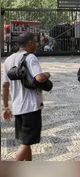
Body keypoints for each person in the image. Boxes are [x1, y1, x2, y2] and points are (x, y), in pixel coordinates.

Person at [2, 32, 51, 161]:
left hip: (17, 107)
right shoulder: (30, 58)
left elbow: (5, 86)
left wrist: (6, 107)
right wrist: (47, 74)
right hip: (31, 107)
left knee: (26, 141)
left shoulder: (8, 60)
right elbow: (39, 78)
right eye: (35, 41)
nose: (36, 44)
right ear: (29, 43)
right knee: (25, 143)